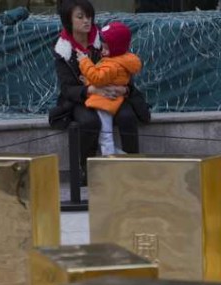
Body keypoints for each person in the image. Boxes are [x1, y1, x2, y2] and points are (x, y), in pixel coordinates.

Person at [49, 0, 149, 175]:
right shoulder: (63, 50)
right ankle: (86, 172)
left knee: (127, 116)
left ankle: (133, 168)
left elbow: (123, 70)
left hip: (114, 94)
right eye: (80, 17)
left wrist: (124, 90)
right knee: (89, 122)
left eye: (89, 16)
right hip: (82, 98)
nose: (86, 21)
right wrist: (91, 90)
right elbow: (66, 88)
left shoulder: (106, 39)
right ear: (68, 21)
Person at [76, 21, 141, 157]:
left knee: (105, 133)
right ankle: (120, 155)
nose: (102, 52)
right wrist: (87, 81)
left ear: (116, 48)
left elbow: (99, 77)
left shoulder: (112, 64)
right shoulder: (124, 59)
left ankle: (109, 156)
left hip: (104, 101)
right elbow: (106, 78)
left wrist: (84, 61)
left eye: (106, 49)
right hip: (112, 99)